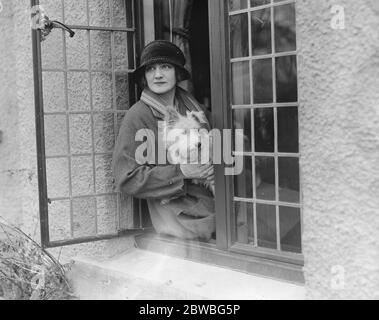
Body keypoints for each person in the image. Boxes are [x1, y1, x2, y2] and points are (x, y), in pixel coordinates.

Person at [112, 40, 215, 241]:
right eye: (151, 69)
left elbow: (222, 144)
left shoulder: (195, 108)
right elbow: (126, 178)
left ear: (177, 73)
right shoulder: (138, 116)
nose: (158, 75)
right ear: (145, 77)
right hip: (176, 214)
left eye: (165, 67)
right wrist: (182, 171)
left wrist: (214, 164)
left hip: (209, 199)